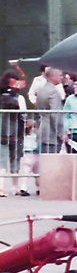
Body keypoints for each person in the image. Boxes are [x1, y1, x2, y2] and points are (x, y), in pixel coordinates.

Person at [0, 68, 28, 196]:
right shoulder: (19, 98)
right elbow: (24, 115)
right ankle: (14, 187)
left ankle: (1, 187)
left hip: (1, 132)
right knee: (15, 159)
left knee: (2, 160)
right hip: (16, 133)